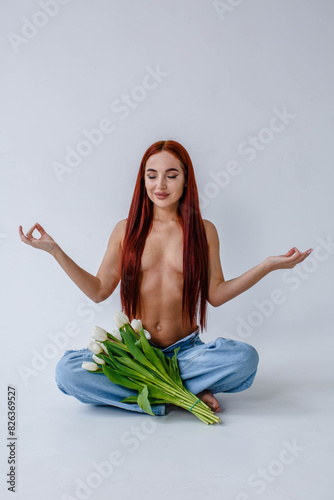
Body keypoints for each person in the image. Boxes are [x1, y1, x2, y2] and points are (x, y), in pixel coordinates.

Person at [18, 139, 312, 417]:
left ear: (186, 181)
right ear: (142, 180)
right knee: (67, 372)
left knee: (244, 358)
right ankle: (179, 393)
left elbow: (217, 294)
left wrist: (267, 266)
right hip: (135, 354)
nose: (160, 185)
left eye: (171, 175)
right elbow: (98, 291)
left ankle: (159, 390)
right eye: (152, 175)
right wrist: (55, 251)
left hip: (185, 353)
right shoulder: (126, 231)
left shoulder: (203, 230)